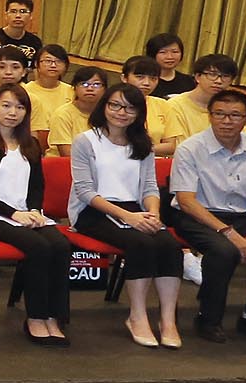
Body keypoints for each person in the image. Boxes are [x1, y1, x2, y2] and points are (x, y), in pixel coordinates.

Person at [169, 90, 246, 346]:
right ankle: (208, 318)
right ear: (210, 116)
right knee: (223, 251)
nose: (226, 121)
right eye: (219, 114)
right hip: (199, 216)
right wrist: (229, 233)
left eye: (235, 115)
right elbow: (186, 201)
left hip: (245, 216)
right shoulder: (190, 149)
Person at [74, 83, 185, 349]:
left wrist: (153, 213)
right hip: (94, 210)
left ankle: (168, 320)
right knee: (141, 243)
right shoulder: (86, 141)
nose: (121, 112)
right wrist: (128, 217)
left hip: (134, 208)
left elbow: (149, 187)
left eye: (130, 108)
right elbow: (85, 191)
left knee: (170, 246)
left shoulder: (142, 144)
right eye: (115, 105)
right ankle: (137, 316)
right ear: (104, 106)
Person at [0, 84, 70, 344]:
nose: (12, 112)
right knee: (38, 246)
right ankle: (36, 317)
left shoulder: (31, 144)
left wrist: (35, 210)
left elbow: (37, 184)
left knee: (61, 245)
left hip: (24, 212)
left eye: (20, 107)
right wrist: (13, 214)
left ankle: (55, 316)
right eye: (6, 106)